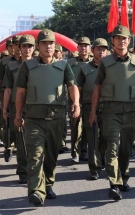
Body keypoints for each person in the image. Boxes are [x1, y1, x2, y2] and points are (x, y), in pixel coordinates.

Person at [15, 29, 80, 206]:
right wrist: (18, 114)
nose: (48, 46)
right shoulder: (26, 67)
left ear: (55, 45)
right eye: (44, 43)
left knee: (51, 156)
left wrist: (76, 103)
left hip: (56, 118)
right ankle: (36, 190)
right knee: (35, 155)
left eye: (50, 43)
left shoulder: (64, 66)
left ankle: (48, 184)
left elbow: (72, 86)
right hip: (34, 119)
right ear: (38, 46)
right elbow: (20, 92)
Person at [89, 25, 135, 201]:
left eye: (124, 38)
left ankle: (123, 177)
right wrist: (93, 111)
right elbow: (97, 88)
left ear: (129, 41)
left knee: (125, 149)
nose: (121, 41)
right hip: (111, 112)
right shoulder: (105, 62)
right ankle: (114, 183)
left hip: (132, 111)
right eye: (117, 38)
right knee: (112, 147)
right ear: (113, 41)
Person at [2, 34, 35, 183]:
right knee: (21, 142)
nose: (27, 49)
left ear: (34, 48)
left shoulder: (40, 65)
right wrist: (4, 109)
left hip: (36, 107)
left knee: (36, 141)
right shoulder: (11, 67)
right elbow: (8, 89)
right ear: (19, 48)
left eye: (30, 46)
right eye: (24, 46)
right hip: (18, 108)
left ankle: (36, 169)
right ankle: (23, 170)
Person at [75, 38, 109, 180]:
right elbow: (78, 88)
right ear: (92, 50)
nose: (101, 51)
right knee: (93, 138)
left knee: (106, 138)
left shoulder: (111, 66)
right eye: (98, 49)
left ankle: (101, 160)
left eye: (103, 49)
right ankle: (94, 168)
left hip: (108, 106)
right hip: (90, 107)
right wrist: (76, 103)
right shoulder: (84, 69)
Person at [68, 36, 93, 164]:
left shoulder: (95, 62)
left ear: (90, 48)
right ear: (77, 48)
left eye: (86, 45)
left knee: (88, 127)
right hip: (74, 100)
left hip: (90, 100)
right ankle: (75, 152)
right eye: (81, 45)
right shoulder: (70, 63)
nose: (83, 48)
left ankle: (84, 151)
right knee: (76, 127)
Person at [2, 35, 21, 162]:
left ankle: (22, 155)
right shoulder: (5, 62)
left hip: (26, 102)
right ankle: (8, 147)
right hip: (8, 97)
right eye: (15, 44)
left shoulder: (33, 62)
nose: (17, 47)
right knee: (8, 126)